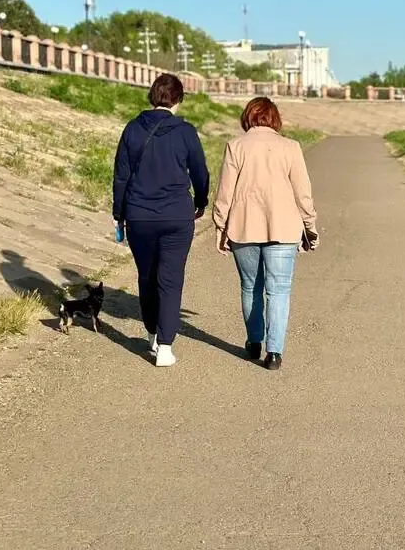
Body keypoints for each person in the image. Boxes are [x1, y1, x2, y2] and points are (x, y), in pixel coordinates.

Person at [212, 96, 319, 370]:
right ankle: (274, 353)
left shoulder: (236, 146)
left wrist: (220, 225)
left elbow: (225, 193)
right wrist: (310, 227)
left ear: (247, 118)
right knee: (279, 290)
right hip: (283, 229)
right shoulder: (291, 147)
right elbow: (303, 193)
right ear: (275, 119)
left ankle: (254, 341)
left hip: (243, 227)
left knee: (250, 286)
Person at [112, 73, 210, 367]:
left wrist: (119, 214)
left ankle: (153, 333)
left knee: (146, 276)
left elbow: (121, 176)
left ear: (151, 96)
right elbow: (200, 172)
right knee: (170, 278)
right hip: (177, 215)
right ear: (178, 99)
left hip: (139, 215)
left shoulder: (132, 129)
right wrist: (201, 201)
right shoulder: (186, 132)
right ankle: (165, 346)